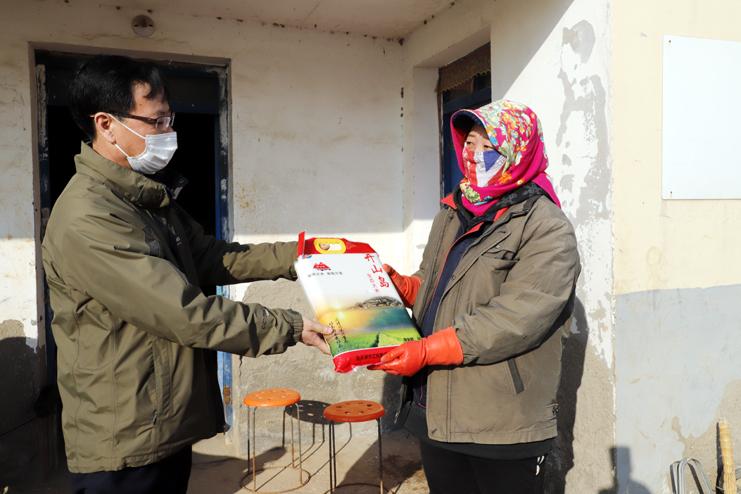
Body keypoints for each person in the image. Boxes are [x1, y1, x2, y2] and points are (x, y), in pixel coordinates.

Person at [41, 55, 332, 494]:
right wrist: (289, 326)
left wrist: (301, 256)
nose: (168, 133)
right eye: (156, 121)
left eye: (169, 119)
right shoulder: (90, 216)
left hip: (162, 422)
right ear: (106, 124)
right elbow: (182, 312)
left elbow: (212, 257)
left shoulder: (143, 198)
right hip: (125, 436)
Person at [370, 100, 581, 493]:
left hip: (500, 422)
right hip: (436, 408)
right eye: (470, 143)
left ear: (518, 152)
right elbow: (436, 282)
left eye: (489, 146)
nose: (475, 155)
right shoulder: (453, 211)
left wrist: (428, 350)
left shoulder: (546, 227)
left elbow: (516, 318)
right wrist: (405, 287)